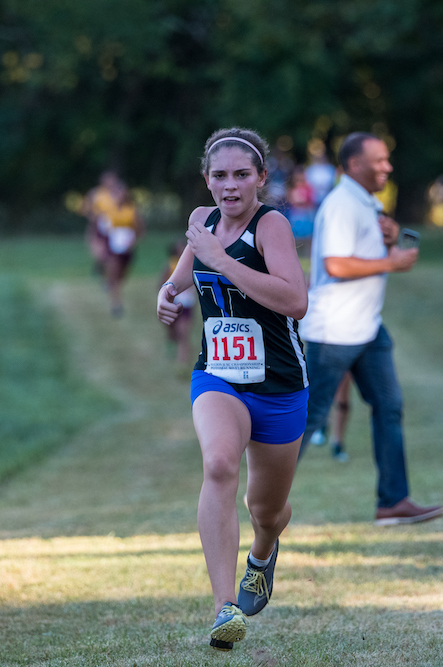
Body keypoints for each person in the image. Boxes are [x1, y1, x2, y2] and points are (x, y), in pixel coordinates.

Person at [156, 128, 309, 651]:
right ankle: (225, 607)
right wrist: (167, 293)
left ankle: (263, 555)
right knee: (219, 463)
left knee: (267, 510)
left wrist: (224, 261)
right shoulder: (201, 223)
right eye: (219, 175)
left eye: (242, 174)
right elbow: (184, 275)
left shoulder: (272, 226)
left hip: (280, 386)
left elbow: (294, 301)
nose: (230, 184)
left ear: (261, 179)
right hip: (218, 375)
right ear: (207, 179)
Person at [296, 131, 443, 526]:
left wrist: (390, 239)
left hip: (366, 328)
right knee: (308, 417)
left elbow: (359, 251)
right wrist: (390, 263)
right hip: (334, 331)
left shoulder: (366, 202)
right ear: (354, 165)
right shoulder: (342, 204)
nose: (388, 167)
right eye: (379, 161)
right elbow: (336, 265)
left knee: (389, 406)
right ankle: (262, 497)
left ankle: (393, 502)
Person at [83, 171, 145, 316]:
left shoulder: (132, 210)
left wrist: (133, 241)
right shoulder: (105, 207)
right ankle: (116, 304)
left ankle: (109, 281)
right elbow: (98, 225)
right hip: (112, 248)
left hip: (127, 249)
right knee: (114, 274)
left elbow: (140, 229)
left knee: (122, 276)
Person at [160, 239, 197, 365]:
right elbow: (162, 283)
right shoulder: (170, 265)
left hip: (186, 303)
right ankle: (172, 341)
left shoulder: (193, 263)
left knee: (183, 332)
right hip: (173, 302)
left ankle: (182, 361)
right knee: (172, 328)